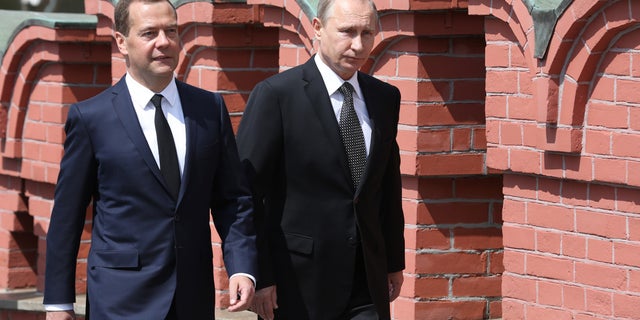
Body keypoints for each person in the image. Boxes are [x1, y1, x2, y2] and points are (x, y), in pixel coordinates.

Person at [42, 0, 257, 319]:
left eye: (171, 31)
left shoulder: (209, 109)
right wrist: (58, 303)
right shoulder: (91, 118)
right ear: (120, 41)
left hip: (192, 298)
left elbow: (233, 200)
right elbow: (67, 217)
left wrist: (242, 267)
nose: (164, 42)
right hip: (120, 300)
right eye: (149, 33)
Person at [236, 0, 405, 318]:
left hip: (366, 279)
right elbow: (245, 193)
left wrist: (394, 261)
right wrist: (260, 273)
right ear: (317, 28)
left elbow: (387, 187)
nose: (358, 45)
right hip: (298, 282)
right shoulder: (276, 96)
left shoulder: (385, 97)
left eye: (367, 33)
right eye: (347, 32)